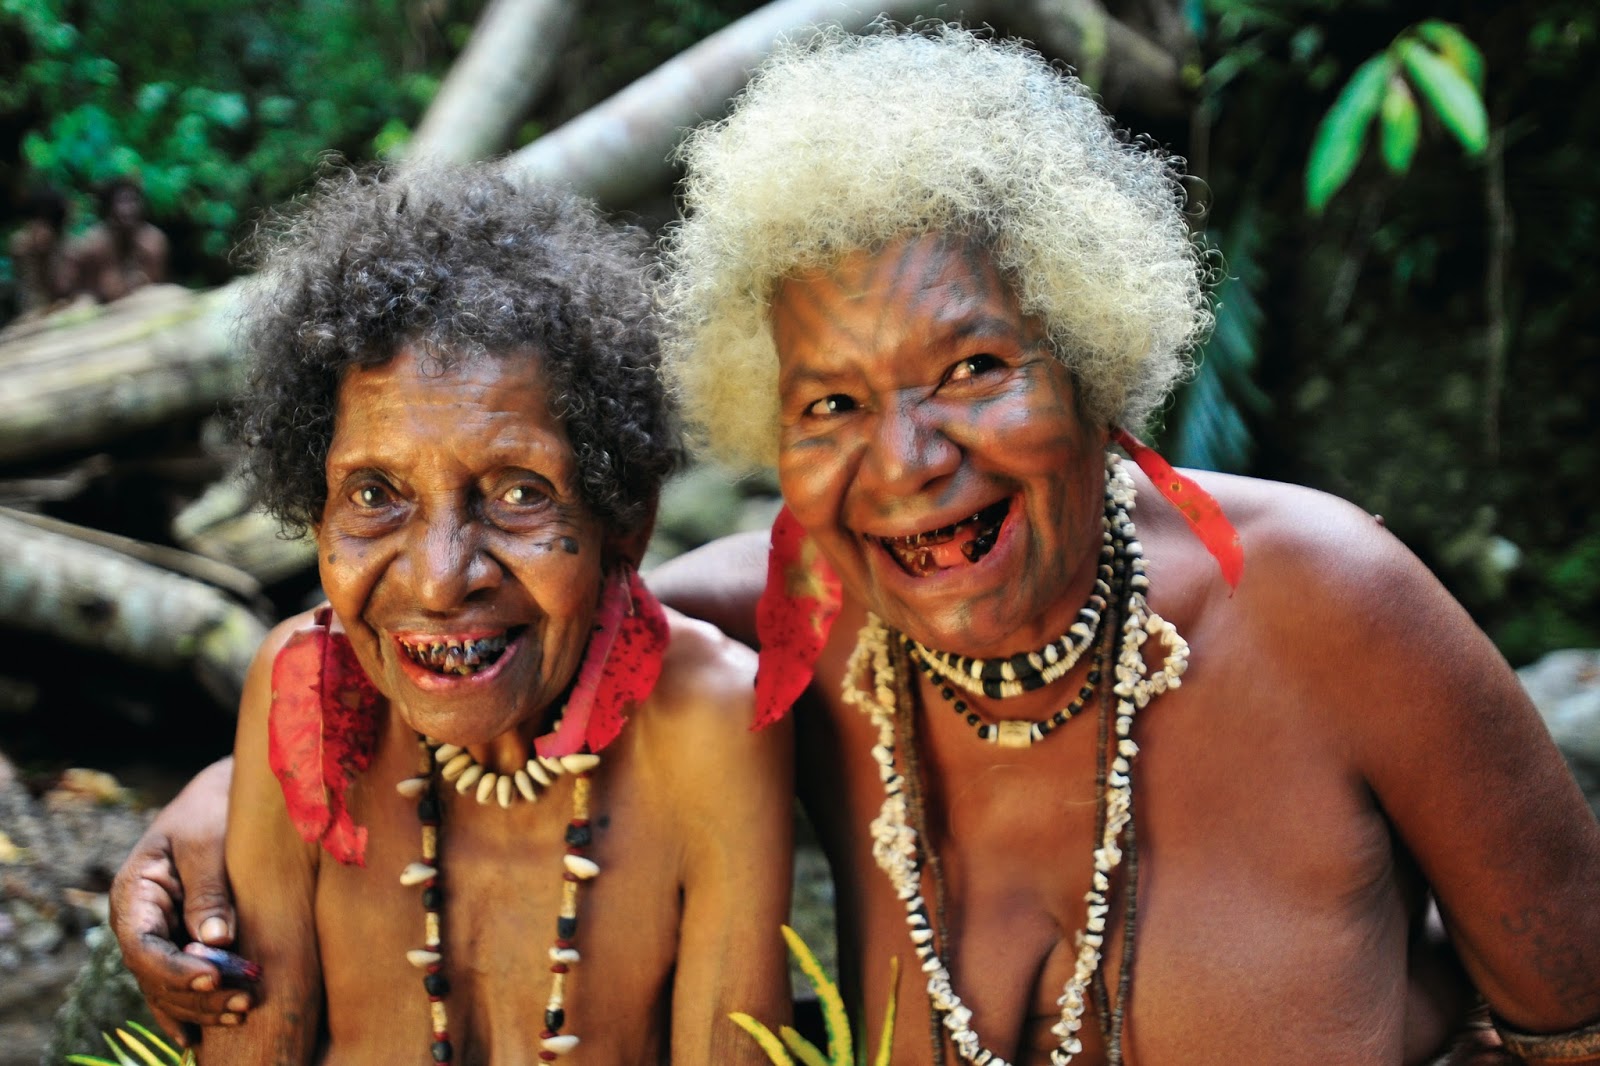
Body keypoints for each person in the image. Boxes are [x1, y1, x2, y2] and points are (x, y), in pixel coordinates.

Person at [114, 24, 1600, 1066]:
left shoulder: (1330, 600)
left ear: (1094, 354)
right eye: (832, 401)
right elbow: (508, 629)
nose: (907, 464)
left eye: (972, 370)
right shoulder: (807, 623)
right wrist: (229, 788)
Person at [174, 160, 792, 1064]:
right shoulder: (299, 693)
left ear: (626, 519)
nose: (436, 580)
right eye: (375, 494)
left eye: (516, 493)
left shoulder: (709, 726)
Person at [65, 176, 169, 303]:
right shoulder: (92, 245)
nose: (129, 209)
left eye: (133, 201)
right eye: (122, 202)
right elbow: (75, 289)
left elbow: (155, 285)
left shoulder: (153, 241)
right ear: (109, 208)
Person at [8, 183, 74, 318]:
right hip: (35, 310)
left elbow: (65, 284)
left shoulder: (63, 240)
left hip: (63, 304)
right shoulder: (21, 244)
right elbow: (30, 292)